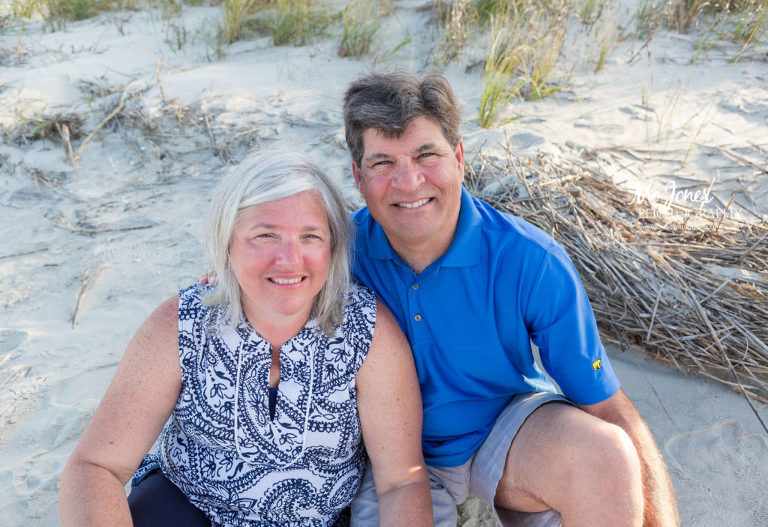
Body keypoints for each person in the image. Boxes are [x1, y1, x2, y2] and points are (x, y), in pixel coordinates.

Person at [343, 72, 679, 527]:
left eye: (427, 154)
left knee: (605, 454)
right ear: (358, 177)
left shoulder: (530, 259)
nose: (409, 182)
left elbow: (606, 406)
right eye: (383, 163)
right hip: (391, 457)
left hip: (505, 433)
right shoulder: (336, 254)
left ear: (459, 158)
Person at [58, 151, 433, 527]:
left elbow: (401, 480)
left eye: (310, 237)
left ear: (332, 248)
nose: (290, 259)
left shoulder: (366, 333)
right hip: (186, 508)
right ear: (227, 243)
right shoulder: (182, 324)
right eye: (264, 236)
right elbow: (96, 466)